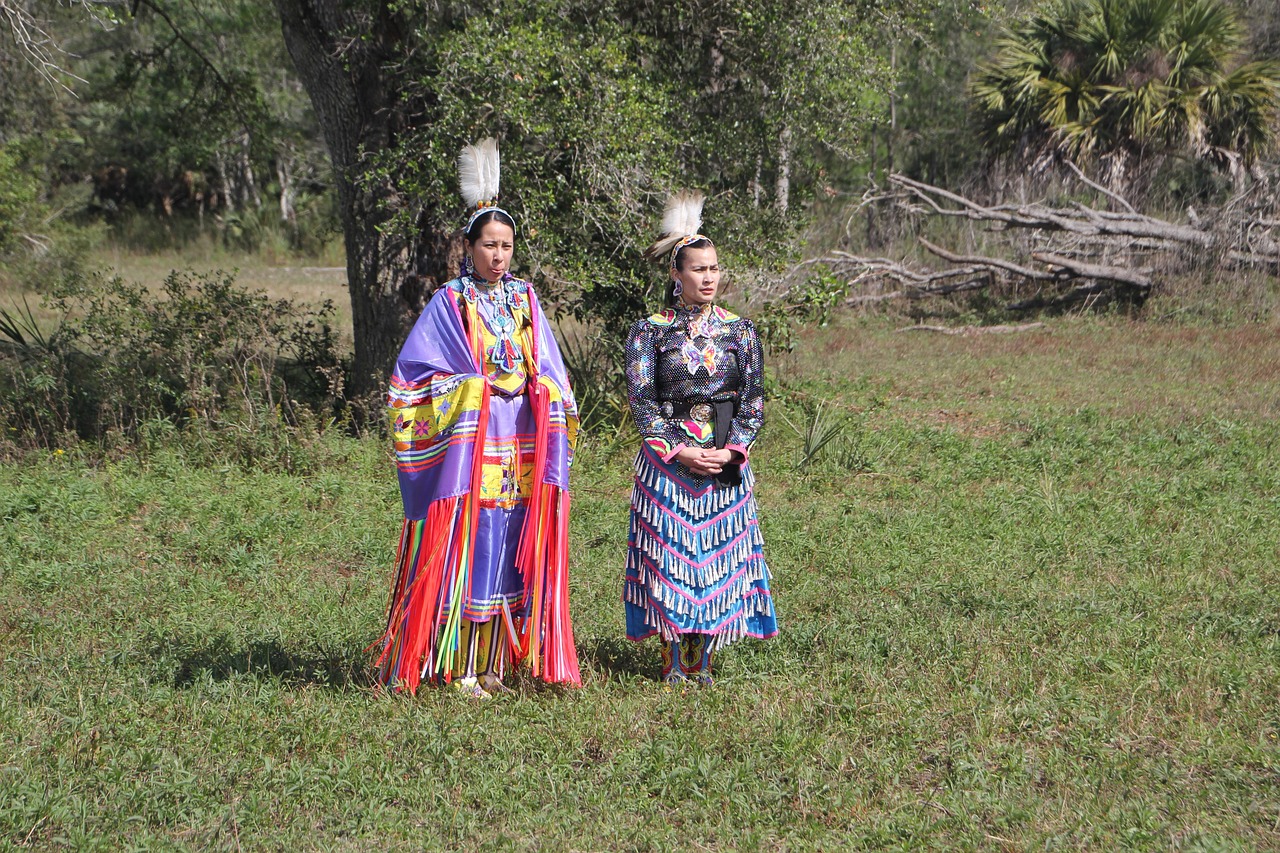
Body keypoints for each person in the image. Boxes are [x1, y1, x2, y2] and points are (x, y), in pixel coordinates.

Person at [374, 139, 580, 697]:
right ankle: (460, 667)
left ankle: (495, 665)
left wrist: (547, 391)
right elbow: (412, 377)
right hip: (474, 444)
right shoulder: (450, 302)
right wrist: (469, 389)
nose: (499, 255)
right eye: (489, 245)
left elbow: (552, 370)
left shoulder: (524, 300)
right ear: (468, 246)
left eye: (507, 246)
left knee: (512, 540)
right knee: (474, 543)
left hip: (521, 445)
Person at [622, 191, 778, 687]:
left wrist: (733, 448)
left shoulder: (740, 332)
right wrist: (680, 448)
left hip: (726, 456)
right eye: (697, 269)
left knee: (714, 558)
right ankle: (671, 660)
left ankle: (701, 658)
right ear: (676, 275)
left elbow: (752, 397)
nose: (708, 278)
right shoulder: (650, 333)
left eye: (714, 269)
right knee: (670, 559)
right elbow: (643, 400)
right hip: (669, 460)